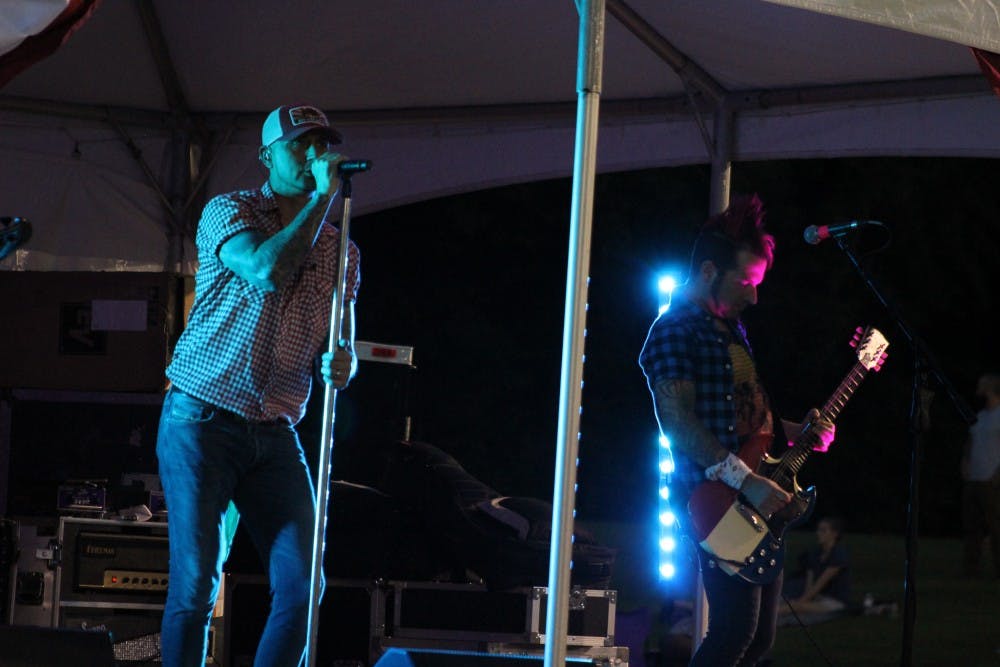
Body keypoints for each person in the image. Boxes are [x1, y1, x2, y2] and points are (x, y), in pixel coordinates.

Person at [155, 104, 361, 667]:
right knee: (196, 584)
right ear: (268, 156)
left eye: (323, 143)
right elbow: (266, 270)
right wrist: (320, 199)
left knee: (302, 586)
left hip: (275, 431)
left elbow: (342, 341)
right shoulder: (231, 210)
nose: (316, 154)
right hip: (202, 418)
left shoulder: (343, 251)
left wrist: (344, 363)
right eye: (302, 145)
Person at [638, 194, 836, 667]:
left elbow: (746, 413)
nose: (754, 295)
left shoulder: (728, 327)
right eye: (746, 282)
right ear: (708, 272)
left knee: (759, 640)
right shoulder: (672, 329)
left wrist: (796, 430)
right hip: (715, 500)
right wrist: (746, 480)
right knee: (732, 633)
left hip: (754, 492)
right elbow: (679, 423)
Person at [960, 373, 1000, 579]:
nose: (978, 388)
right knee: (972, 526)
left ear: (992, 387)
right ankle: (971, 569)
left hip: (991, 480)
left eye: (982, 384)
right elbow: (970, 442)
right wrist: (965, 461)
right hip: (974, 478)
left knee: (996, 527)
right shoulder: (981, 416)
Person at [781, 516, 852, 615]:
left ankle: (765, 617)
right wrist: (805, 598)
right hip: (818, 598)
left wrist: (800, 602)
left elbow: (820, 584)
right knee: (788, 602)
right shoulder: (816, 554)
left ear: (834, 534)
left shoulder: (838, 555)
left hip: (834, 601)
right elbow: (810, 583)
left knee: (796, 607)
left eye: (823, 531)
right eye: (819, 530)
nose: (818, 533)